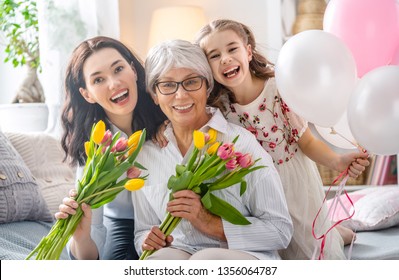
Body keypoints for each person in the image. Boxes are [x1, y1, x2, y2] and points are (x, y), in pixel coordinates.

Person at [192, 19, 370, 259]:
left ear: (248, 50)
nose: (225, 58)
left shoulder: (278, 89)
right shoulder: (219, 109)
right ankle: (336, 230)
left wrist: (337, 161)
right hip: (256, 189)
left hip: (291, 181)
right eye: (214, 55)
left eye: (232, 49)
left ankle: (334, 232)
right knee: (275, 251)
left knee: (311, 244)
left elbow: (306, 141)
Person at [130, 39, 293, 260]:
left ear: (207, 87)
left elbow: (280, 231)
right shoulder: (146, 154)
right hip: (179, 252)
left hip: (242, 255)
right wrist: (148, 240)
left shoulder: (239, 143)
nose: (181, 95)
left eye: (191, 82)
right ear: (155, 96)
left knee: (206, 262)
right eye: (168, 85)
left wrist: (208, 222)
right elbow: (142, 231)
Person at [57, 36, 167, 260]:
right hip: (124, 223)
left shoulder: (167, 114)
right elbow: (90, 246)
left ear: (134, 71)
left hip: (173, 219)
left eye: (118, 69)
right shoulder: (93, 147)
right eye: (98, 80)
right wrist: (80, 237)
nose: (114, 83)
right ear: (87, 94)